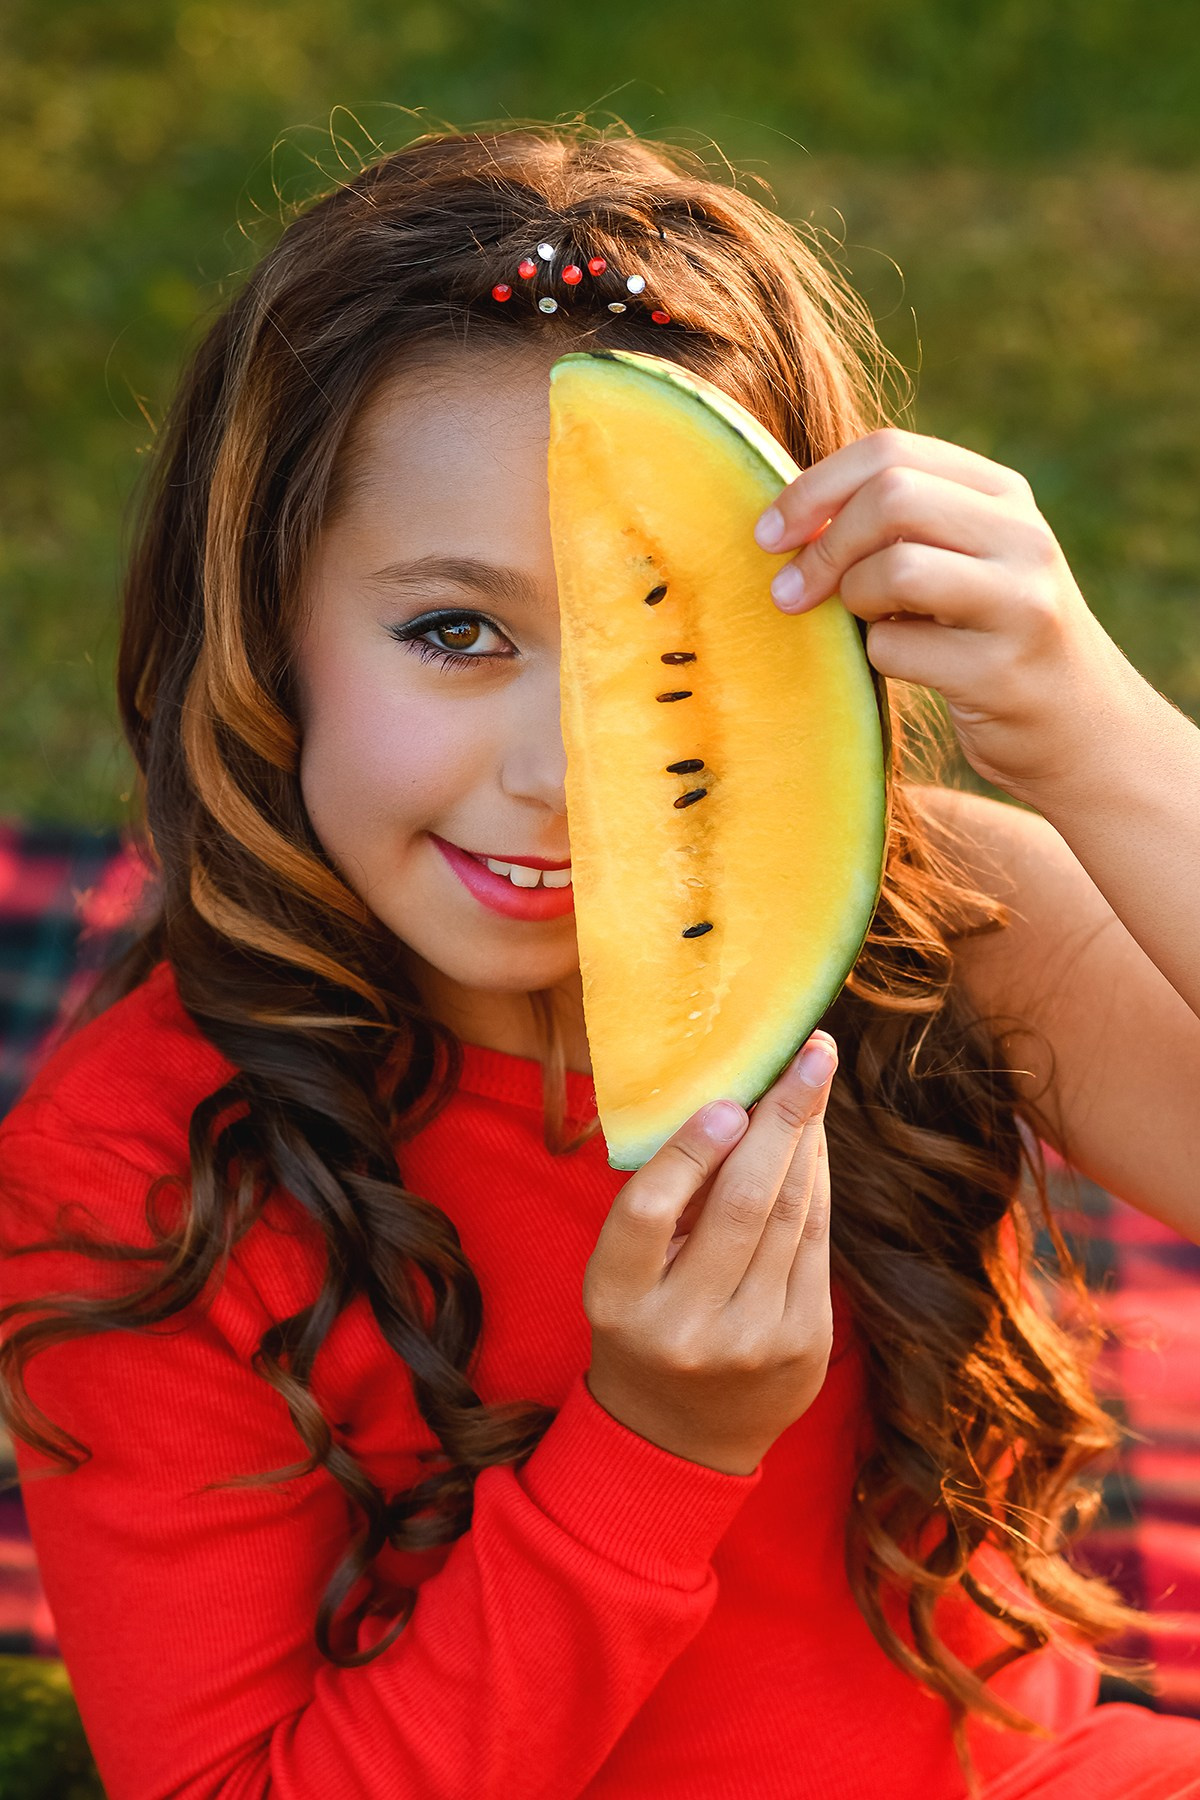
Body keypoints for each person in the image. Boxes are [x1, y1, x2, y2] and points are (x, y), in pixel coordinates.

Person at [0, 120, 1198, 1800]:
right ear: (268, 623)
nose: (568, 769)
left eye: (672, 641)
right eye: (457, 633)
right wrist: (657, 1450)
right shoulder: (134, 1174)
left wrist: (1098, 733)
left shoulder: (944, 919)